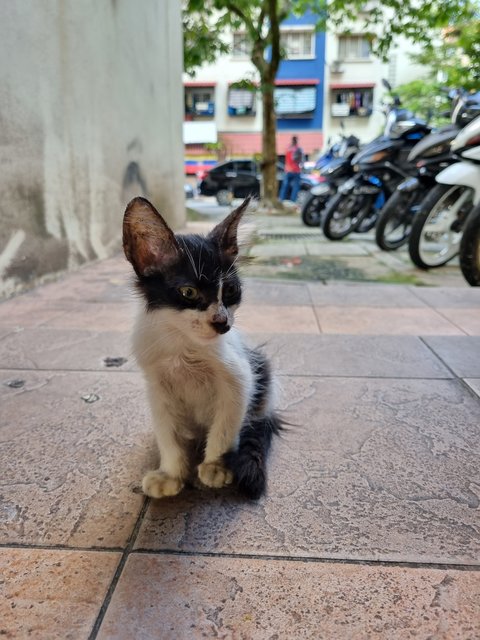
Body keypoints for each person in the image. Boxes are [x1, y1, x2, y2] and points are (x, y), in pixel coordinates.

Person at [279, 135, 303, 202]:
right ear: (296, 140)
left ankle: (281, 200)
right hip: (296, 170)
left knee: (285, 186)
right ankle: (293, 201)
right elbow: (299, 159)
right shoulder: (298, 148)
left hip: (288, 170)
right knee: (296, 187)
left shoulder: (287, 148)